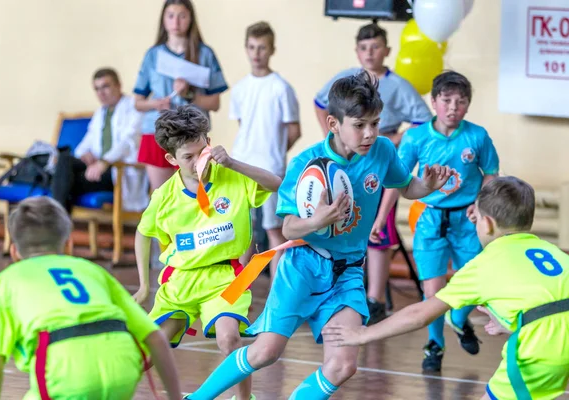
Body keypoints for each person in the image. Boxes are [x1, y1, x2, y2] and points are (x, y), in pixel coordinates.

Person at [184, 71, 452, 400]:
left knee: (342, 365)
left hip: (348, 272)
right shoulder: (306, 164)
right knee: (265, 352)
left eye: (375, 123)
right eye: (359, 125)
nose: (369, 133)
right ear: (333, 123)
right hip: (303, 267)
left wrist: (427, 186)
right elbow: (288, 228)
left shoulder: (381, 151)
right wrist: (317, 220)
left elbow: (406, 185)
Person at [322, 176, 569, 400]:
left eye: (477, 217)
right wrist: (513, 323)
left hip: (542, 350)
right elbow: (551, 301)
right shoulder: (554, 253)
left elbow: (419, 315)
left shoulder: (485, 264)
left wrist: (363, 334)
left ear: (488, 224)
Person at [133, 105, 281, 400]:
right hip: (180, 282)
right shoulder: (164, 197)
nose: (198, 161)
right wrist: (142, 285)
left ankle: (243, 399)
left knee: (230, 338)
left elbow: (276, 183)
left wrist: (235, 163)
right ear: (171, 159)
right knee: (151, 347)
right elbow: (142, 233)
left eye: (202, 151)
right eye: (188, 157)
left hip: (225, 278)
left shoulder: (232, 176)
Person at [0, 196, 181, 400]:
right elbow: (156, 337)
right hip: (122, 366)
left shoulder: (3, 283)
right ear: (68, 245)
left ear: (14, 252)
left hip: (65, 370)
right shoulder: (93, 270)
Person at [314, 23, 432, 322]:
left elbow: (422, 120)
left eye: (376, 47)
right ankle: (337, 292)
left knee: (379, 229)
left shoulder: (398, 86)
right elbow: (319, 102)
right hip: (346, 161)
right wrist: (336, 137)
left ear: (387, 51)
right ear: (357, 51)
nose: (370, 53)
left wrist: (395, 138)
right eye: (364, 48)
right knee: (341, 220)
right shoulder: (344, 80)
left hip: (376, 158)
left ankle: (375, 297)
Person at [393, 70, 500, 372]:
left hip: (468, 218)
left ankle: (459, 319)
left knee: (475, 282)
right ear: (434, 101)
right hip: (429, 220)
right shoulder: (416, 137)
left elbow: (491, 172)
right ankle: (434, 345)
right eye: (447, 100)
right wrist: (381, 216)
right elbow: (399, 179)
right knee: (433, 290)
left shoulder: (476, 136)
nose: (453, 107)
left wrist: (481, 204)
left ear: (468, 105)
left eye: (461, 101)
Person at [229, 21, 301, 278]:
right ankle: (237, 290)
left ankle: (275, 294)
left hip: (270, 168)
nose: (256, 53)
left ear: (271, 50)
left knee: (274, 231)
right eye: (252, 47)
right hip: (240, 166)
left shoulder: (281, 88)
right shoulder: (239, 89)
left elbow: (294, 130)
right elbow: (244, 125)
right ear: (246, 49)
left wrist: (275, 151)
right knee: (243, 231)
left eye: (262, 47)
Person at [133, 0, 229, 191]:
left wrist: (189, 94)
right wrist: (156, 104)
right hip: (158, 133)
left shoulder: (204, 53)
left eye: (182, 16)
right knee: (162, 196)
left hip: (192, 134)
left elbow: (215, 102)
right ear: (163, 20)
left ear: (191, 19)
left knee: (194, 194)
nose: (176, 21)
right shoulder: (153, 55)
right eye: (171, 16)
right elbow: (137, 102)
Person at [52, 68, 148, 213]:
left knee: (62, 183)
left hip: (118, 171)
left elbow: (128, 142)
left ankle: (57, 225)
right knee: (65, 161)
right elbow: (86, 142)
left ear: (118, 85)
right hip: (96, 169)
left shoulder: (134, 107)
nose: (101, 93)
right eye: (97, 89)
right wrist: (84, 155)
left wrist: (104, 162)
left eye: (105, 86)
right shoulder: (100, 113)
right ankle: (59, 223)